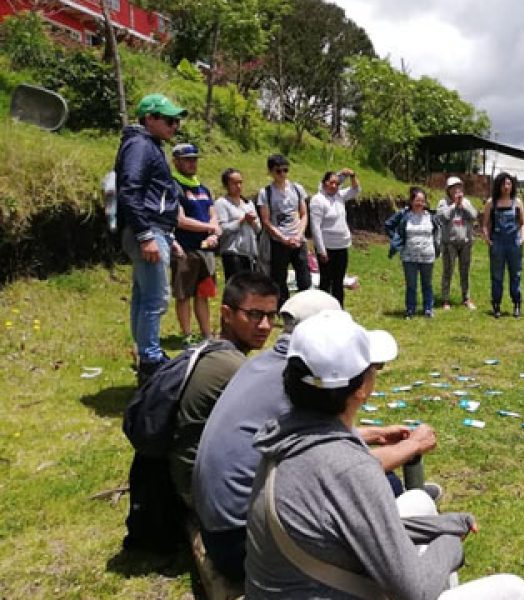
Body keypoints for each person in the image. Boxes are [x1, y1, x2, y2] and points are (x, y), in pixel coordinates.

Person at [244, 310, 524, 599]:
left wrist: (444, 524)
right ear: (361, 388)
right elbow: (416, 591)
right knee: (514, 589)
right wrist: (450, 542)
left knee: (419, 501)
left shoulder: (283, 437)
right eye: (375, 367)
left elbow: (362, 526)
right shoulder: (350, 469)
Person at [192, 290, 440, 584]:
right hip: (244, 542)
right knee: (388, 487)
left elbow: (313, 444)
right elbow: (342, 470)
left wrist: (373, 434)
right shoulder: (298, 388)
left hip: (223, 526)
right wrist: (413, 445)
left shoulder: (271, 368)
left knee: (388, 484)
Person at [168, 271, 280, 509]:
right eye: (254, 315)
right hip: (202, 490)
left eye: (271, 316)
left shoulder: (210, 349)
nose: (265, 326)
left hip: (183, 473)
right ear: (227, 314)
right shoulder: (234, 368)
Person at [114, 93, 187, 383]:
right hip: (148, 229)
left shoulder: (149, 145)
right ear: (149, 119)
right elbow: (129, 190)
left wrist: (168, 235)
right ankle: (150, 359)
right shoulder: (140, 145)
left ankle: (146, 354)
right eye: (169, 120)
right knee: (156, 299)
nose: (174, 126)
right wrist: (147, 235)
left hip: (156, 229)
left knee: (144, 297)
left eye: (177, 121)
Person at [170, 143, 221, 347]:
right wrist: (209, 227)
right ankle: (187, 335)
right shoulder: (174, 186)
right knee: (184, 294)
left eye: (194, 159)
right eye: (187, 160)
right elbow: (180, 220)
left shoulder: (203, 188)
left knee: (203, 293)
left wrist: (214, 232)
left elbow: (213, 213)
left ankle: (207, 334)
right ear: (176, 162)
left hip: (205, 249)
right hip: (184, 248)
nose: (192, 163)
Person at [258, 154, 310, 306]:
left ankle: (305, 307)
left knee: (304, 277)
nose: (282, 174)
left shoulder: (297, 189)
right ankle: (283, 308)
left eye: (285, 170)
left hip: (298, 239)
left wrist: (299, 235)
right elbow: (266, 221)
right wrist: (283, 238)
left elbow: (304, 214)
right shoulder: (265, 193)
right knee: (279, 278)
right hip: (279, 241)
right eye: (278, 171)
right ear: (270, 172)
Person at [386, 186, 441, 318]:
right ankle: (410, 309)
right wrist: (396, 239)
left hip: (427, 256)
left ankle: (428, 309)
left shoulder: (431, 216)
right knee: (411, 285)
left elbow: (438, 231)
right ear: (411, 201)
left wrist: (437, 246)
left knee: (427, 284)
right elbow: (388, 225)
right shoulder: (404, 215)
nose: (420, 203)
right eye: (417, 200)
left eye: (422, 201)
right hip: (409, 256)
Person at [310, 168, 360, 307]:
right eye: (331, 183)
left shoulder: (339, 196)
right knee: (326, 281)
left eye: (337, 184)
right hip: (327, 247)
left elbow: (356, 190)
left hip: (341, 245)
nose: (334, 186)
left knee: (338, 281)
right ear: (324, 183)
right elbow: (315, 227)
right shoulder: (318, 200)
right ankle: (322, 308)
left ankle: (338, 308)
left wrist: (352, 175)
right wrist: (321, 250)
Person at [482, 172, 524, 318]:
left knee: (516, 274)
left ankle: (517, 303)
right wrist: (487, 238)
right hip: (497, 243)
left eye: (509, 183)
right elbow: (485, 223)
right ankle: (496, 304)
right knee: (497, 275)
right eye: (503, 184)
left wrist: (523, 237)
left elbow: (523, 222)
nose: (506, 187)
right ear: (498, 186)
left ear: (512, 186)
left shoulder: (517, 202)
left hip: (514, 243)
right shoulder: (491, 203)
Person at [436, 176, 478, 310]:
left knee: (465, 271)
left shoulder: (466, 202)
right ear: (448, 190)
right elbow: (443, 217)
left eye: (459, 187)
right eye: (454, 188)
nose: (457, 190)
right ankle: (445, 299)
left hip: (465, 242)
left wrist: (463, 206)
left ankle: (466, 298)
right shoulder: (443, 203)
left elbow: (474, 215)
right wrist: (454, 205)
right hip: (449, 243)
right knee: (448, 271)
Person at [215, 168, 261, 282]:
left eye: (240, 182)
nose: (238, 186)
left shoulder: (248, 203)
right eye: (234, 183)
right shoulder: (222, 203)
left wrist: (252, 222)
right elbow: (222, 229)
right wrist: (242, 220)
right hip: (233, 253)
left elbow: (258, 228)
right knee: (237, 287)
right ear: (226, 185)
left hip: (250, 254)